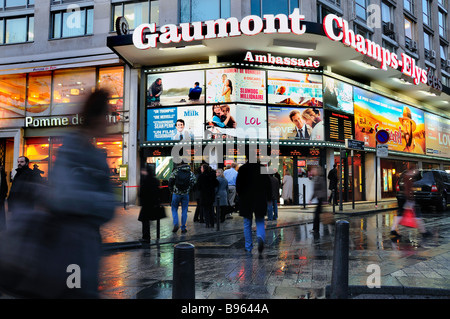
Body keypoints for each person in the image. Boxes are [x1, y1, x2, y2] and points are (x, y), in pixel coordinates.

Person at [48, 89, 118, 298]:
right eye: (108, 114)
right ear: (97, 117)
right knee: (74, 291)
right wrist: (98, 200)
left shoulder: (94, 153)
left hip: (88, 243)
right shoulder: (72, 148)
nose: (110, 121)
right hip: (72, 245)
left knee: (82, 289)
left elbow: (109, 206)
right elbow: (65, 196)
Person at [236, 162, 271, 253]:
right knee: (260, 220)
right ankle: (260, 237)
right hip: (260, 198)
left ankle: (248, 246)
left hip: (246, 199)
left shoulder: (243, 168)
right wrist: (269, 197)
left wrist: (239, 194)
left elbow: (238, 184)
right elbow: (268, 183)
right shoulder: (261, 167)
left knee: (247, 223)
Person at [390, 169, 431, 238]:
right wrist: (410, 199)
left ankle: (393, 230)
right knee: (417, 215)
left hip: (405, 198)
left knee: (400, 214)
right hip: (408, 199)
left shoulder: (405, 177)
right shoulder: (408, 178)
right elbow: (408, 190)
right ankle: (423, 231)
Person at [168, 161, 196, 233]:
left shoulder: (176, 171)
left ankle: (176, 223)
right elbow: (194, 182)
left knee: (174, 209)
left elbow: (170, 181)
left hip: (176, 193)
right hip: (185, 194)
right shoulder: (190, 173)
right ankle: (183, 227)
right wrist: (189, 189)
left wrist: (172, 190)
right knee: (184, 210)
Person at [137, 166, 161, 243]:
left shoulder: (146, 180)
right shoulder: (155, 180)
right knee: (148, 220)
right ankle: (151, 236)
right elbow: (158, 192)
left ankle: (146, 237)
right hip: (153, 204)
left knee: (145, 220)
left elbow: (141, 193)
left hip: (146, 204)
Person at [196, 164, 218, 228]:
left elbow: (198, 186)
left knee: (205, 210)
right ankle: (212, 223)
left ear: (203, 169)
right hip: (211, 194)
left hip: (204, 194)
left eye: (201, 168)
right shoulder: (212, 175)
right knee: (211, 209)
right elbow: (216, 183)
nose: (201, 169)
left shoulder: (201, 176)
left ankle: (207, 223)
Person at [310, 166, 327, 233]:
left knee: (317, 214)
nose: (312, 171)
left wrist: (325, 200)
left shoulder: (320, 178)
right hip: (319, 198)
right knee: (318, 214)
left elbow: (323, 189)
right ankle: (316, 229)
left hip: (321, 198)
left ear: (317, 171)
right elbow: (315, 191)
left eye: (313, 170)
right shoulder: (316, 178)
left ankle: (315, 229)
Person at [0, 166, 7, 230]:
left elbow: (5, 184)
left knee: (1, 212)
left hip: (1, 196)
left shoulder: (2, 173)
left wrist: (4, 195)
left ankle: (2, 226)